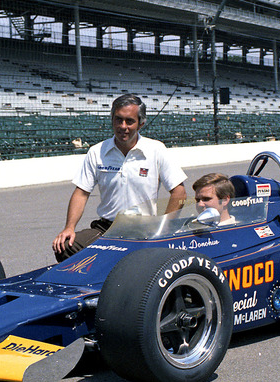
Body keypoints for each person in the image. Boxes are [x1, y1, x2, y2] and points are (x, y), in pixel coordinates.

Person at [52, 93, 187, 261]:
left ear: (141, 124)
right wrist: (69, 228)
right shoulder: (97, 151)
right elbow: (81, 193)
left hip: (144, 230)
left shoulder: (156, 150)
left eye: (130, 121)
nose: (123, 126)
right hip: (106, 229)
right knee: (65, 246)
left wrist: (164, 228)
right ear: (112, 120)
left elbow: (179, 192)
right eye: (118, 119)